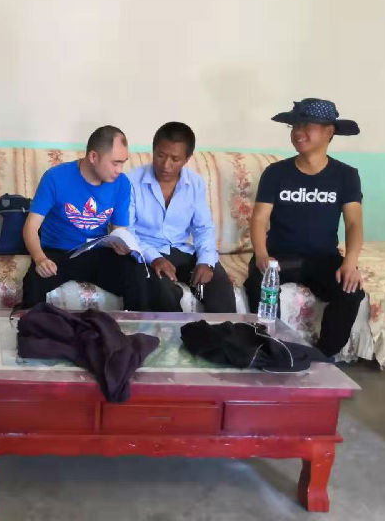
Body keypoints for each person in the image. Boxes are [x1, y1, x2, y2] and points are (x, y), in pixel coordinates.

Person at [244, 99, 365, 358]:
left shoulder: (346, 175)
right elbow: (259, 219)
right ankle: (273, 350)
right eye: (295, 126)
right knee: (257, 284)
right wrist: (262, 254)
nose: (298, 133)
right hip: (279, 257)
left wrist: (350, 262)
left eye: (307, 126)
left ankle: (323, 356)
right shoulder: (276, 173)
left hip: (323, 258)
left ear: (329, 132)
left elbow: (354, 223)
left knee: (352, 292)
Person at [19, 125, 151, 310]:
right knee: (33, 283)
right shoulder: (55, 177)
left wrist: (121, 245)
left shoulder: (121, 183)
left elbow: (119, 230)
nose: (120, 170)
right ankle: (37, 328)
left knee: (136, 274)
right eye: (115, 163)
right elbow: (30, 227)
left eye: (123, 163)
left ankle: (135, 328)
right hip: (58, 253)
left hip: (96, 251)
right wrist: (40, 259)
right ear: (93, 157)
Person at [127, 122, 236, 313]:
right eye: (160, 155)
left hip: (180, 251)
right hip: (145, 254)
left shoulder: (195, 183)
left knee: (218, 285)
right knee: (161, 292)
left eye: (175, 159)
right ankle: (175, 333)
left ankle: (224, 332)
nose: (166, 165)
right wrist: (154, 258)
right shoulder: (131, 181)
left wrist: (205, 261)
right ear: (153, 150)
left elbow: (203, 228)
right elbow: (126, 232)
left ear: (187, 159)